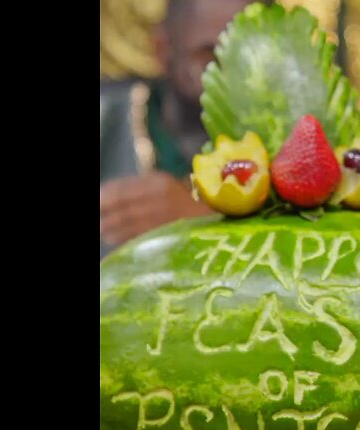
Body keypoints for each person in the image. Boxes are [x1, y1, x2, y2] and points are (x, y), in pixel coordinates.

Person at [99, 0, 268, 257]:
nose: (234, 75)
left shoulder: (291, 133)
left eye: (250, 56)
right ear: (162, 50)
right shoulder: (107, 119)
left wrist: (200, 217)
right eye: (210, 55)